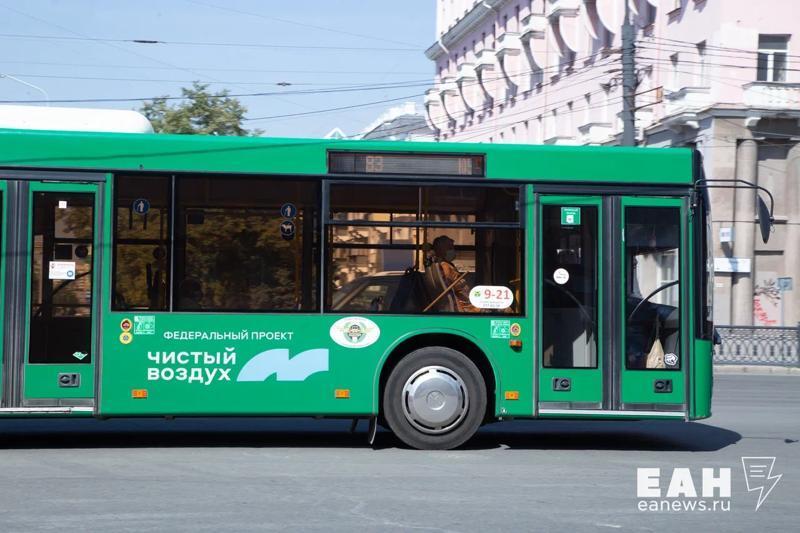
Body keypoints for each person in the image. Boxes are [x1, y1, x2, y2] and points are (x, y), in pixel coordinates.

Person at [426, 235, 479, 313]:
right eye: (450, 248)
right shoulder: (446, 267)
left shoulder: (440, 265)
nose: (453, 251)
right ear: (441, 250)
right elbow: (461, 290)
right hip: (465, 307)